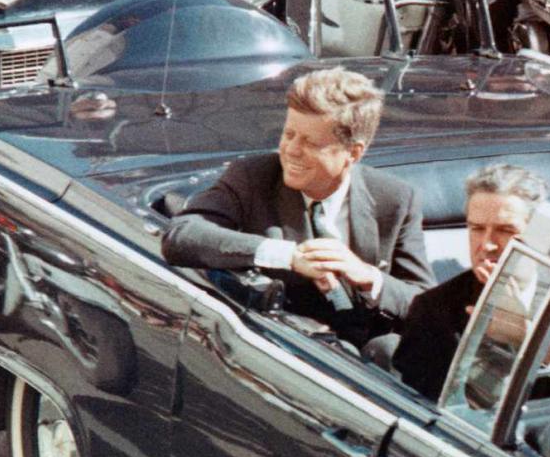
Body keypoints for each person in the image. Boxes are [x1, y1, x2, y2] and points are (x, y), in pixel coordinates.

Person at [162, 67, 434, 348]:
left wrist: (368, 277)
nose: (291, 150)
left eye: (310, 143)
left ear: (353, 153)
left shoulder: (395, 198)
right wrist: (287, 255)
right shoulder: (254, 177)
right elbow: (181, 236)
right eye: (289, 134)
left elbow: (427, 305)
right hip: (283, 350)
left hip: (369, 365)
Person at [390, 164, 550, 400]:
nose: (487, 245)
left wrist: (535, 342)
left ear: (541, 235)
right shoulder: (433, 309)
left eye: (505, 230)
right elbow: (420, 405)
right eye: (477, 229)